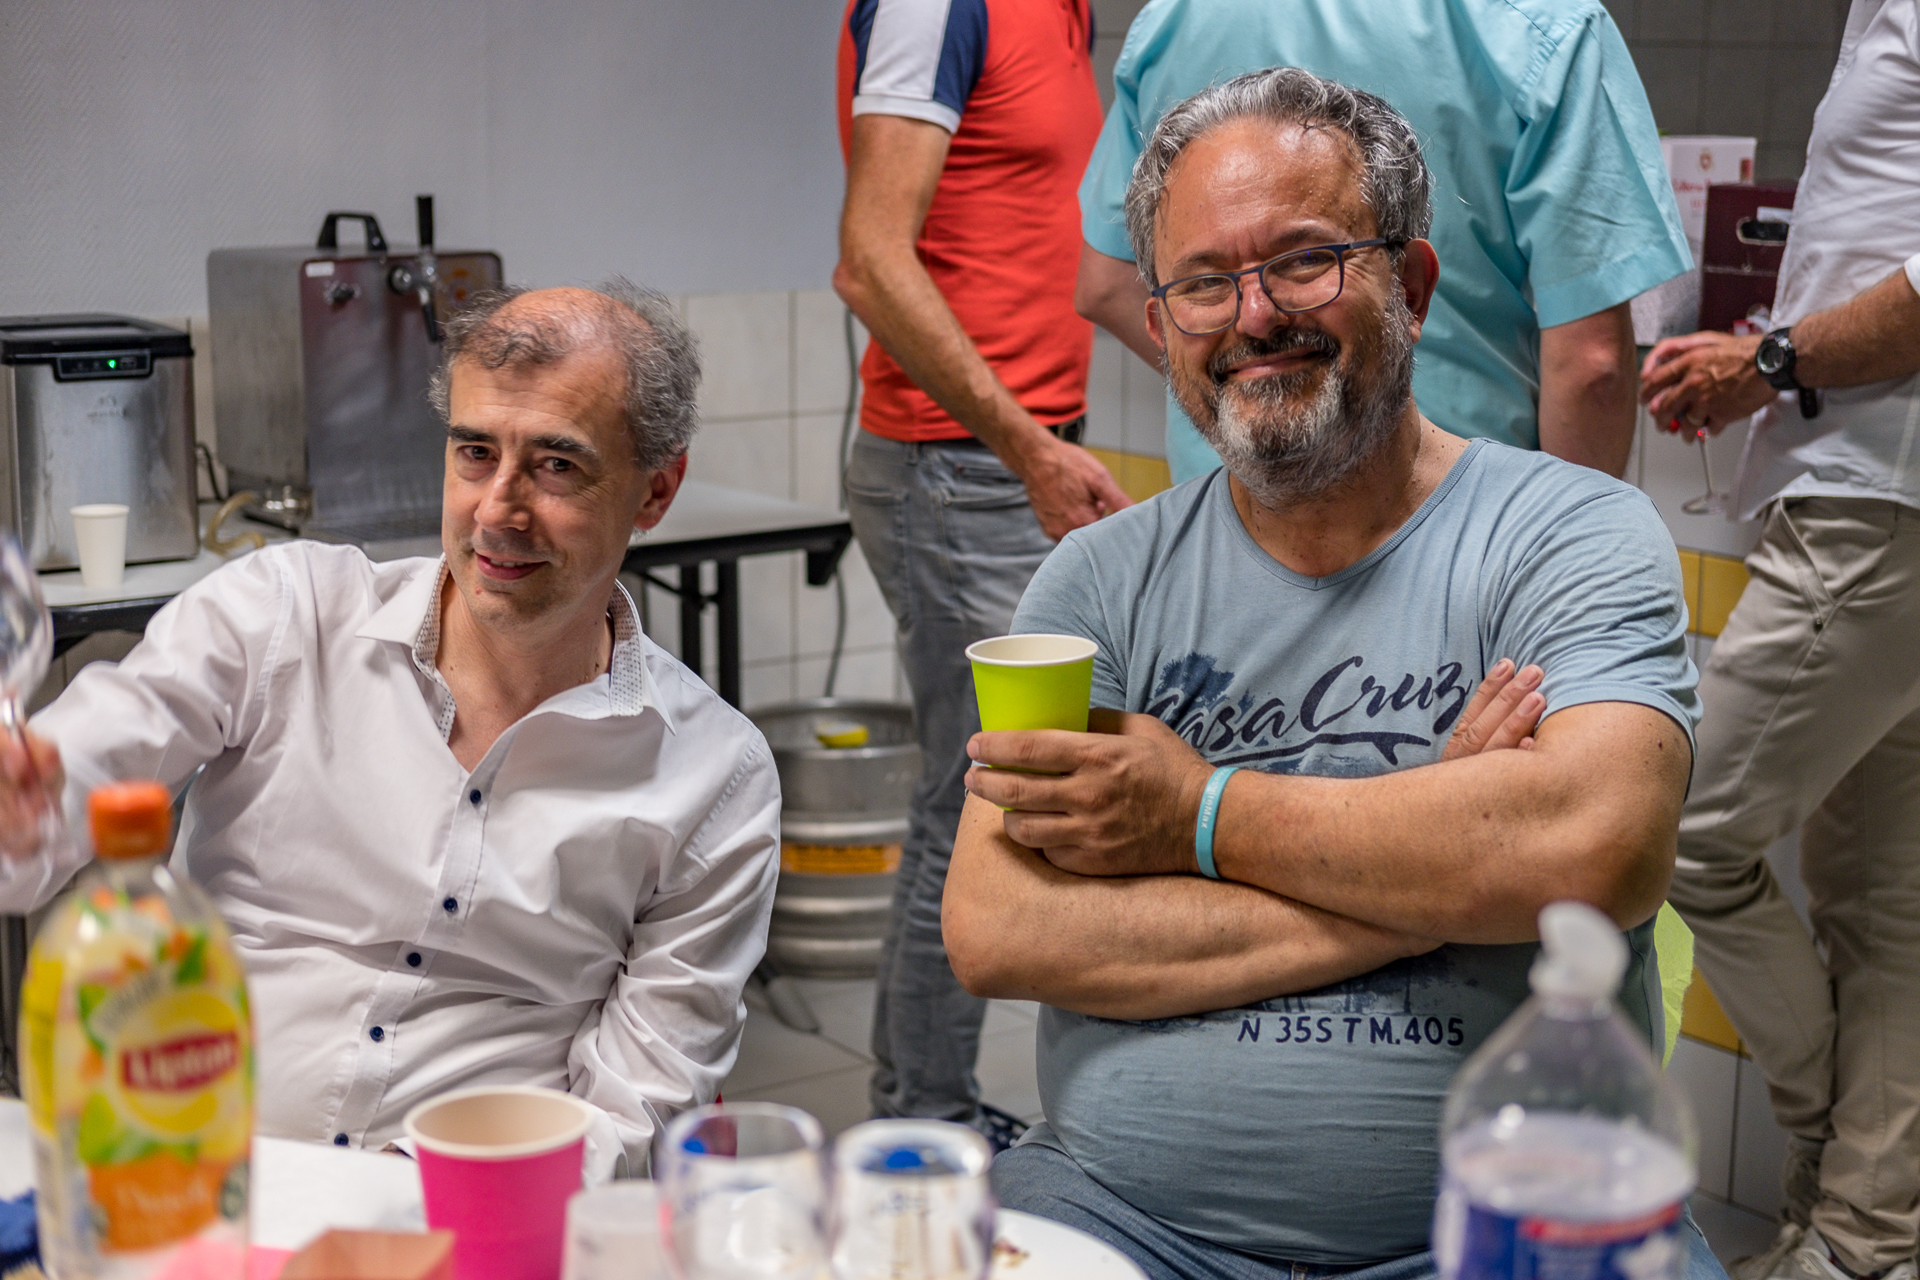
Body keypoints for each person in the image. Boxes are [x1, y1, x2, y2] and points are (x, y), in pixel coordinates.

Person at [941, 69, 1719, 1280]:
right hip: (1118, 1215)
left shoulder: (1571, 533)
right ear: (1163, 326)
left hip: (1520, 1221)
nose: (1254, 316)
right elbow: (1000, 926)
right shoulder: (1097, 583)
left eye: (1305, 261)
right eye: (1204, 282)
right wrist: (1439, 857)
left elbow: (1596, 848)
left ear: (1411, 284)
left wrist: (1192, 813)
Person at [0, 282, 780, 1179]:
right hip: (189, 1175)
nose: (497, 510)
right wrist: (25, 800)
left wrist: (421, 1199)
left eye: (557, 466)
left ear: (657, 490)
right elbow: (69, 781)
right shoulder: (282, 616)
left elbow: (637, 1112)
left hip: (468, 1211)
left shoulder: (715, 775)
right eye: (475, 453)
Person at [1640, 0, 1920, 1273]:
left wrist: (1767, 361)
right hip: (1869, 489)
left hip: (1880, 494)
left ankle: (1821, 1148)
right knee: (1883, 894)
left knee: (1683, 830)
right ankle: (1865, 1236)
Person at [831, 0, 1130, 1142]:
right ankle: (924, 1120)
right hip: (958, 470)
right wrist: (1027, 449)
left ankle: (931, 1105)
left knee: (993, 798)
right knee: (977, 803)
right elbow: (869, 261)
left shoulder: (1063, 12)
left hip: (1012, 457)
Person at [1073, 0, 1690, 484]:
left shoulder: (1174, 19)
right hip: (1463, 520)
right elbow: (1592, 365)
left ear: (1414, 285)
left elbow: (1105, 285)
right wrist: (1568, 550)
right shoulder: (1539, 24)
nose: (1258, 317)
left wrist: (1261, 390)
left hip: (1238, 514)